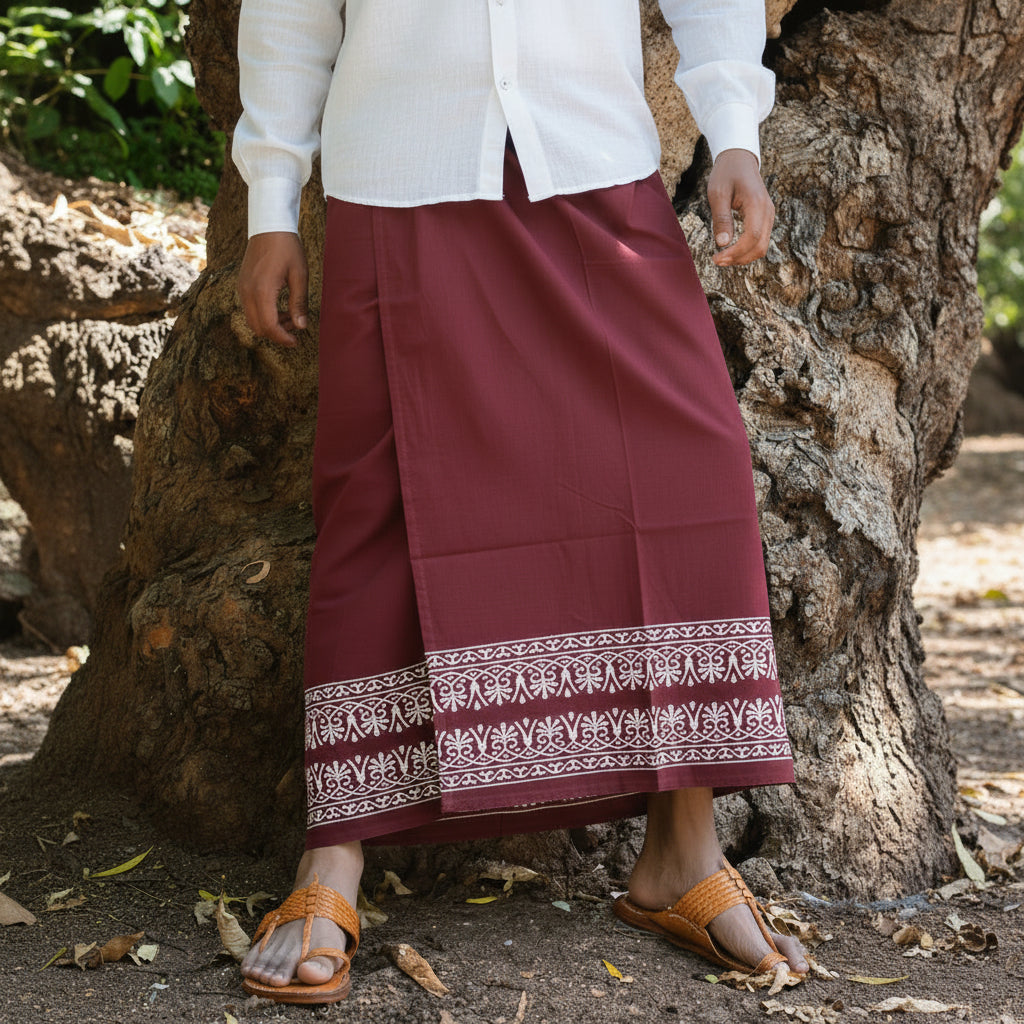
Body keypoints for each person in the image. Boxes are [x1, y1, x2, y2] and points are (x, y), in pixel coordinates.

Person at [232, 0, 808, 1005]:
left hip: (591, 164)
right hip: (397, 175)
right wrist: (271, 203)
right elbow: (287, 15)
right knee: (379, 500)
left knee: (684, 478)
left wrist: (734, 132)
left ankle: (681, 849)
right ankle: (334, 859)